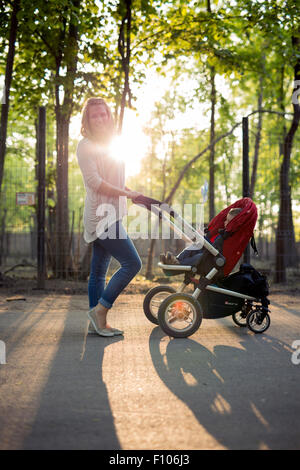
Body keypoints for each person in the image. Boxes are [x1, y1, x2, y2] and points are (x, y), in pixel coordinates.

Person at [77, 97, 143, 337]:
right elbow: (94, 182)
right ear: (88, 120)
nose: (101, 118)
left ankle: (98, 322)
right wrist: (126, 193)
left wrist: (130, 192)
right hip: (101, 217)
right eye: (95, 115)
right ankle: (101, 312)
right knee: (133, 263)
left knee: (98, 272)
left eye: (104, 114)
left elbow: (115, 181)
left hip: (111, 214)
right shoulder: (85, 146)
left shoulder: (115, 143)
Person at [160, 207, 242, 266]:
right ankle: (176, 260)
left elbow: (217, 248)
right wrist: (203, 239)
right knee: (194, 247)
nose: (225, 222)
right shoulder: (224, 232)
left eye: (228, 221)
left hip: (214, 259)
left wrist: (204, 238)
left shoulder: (229, 236)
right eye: (226, 220)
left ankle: (178, 263)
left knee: (199, 256)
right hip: (208, 252)